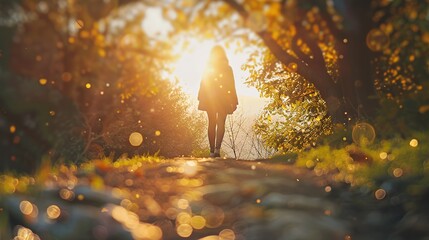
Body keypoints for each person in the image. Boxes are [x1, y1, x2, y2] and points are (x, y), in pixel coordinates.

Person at [198, 45, 238, 158]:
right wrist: (234, 100)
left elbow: (203, 82)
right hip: (224, 98)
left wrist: (200, 96)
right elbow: (232, 85)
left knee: (211, 123)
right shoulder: (228, 68)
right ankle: (217, 150)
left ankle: (211, 151)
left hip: (210, 98)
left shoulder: (208, 66)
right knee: (221, 123)